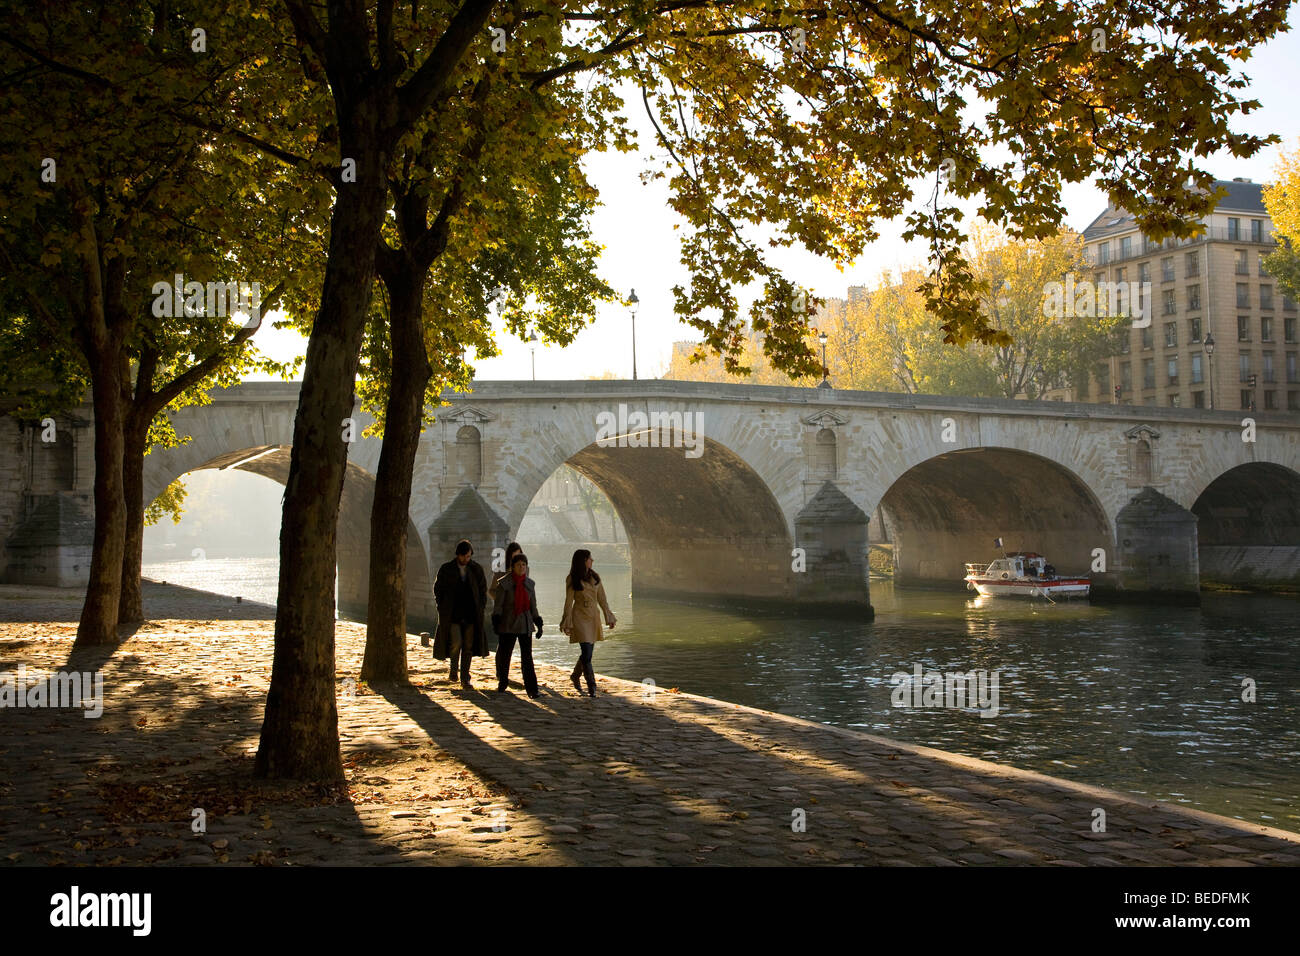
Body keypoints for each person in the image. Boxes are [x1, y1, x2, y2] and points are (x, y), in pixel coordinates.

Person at [432, 539, 488, 688]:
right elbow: (438, 589)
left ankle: (465, 676)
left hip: (471, 614)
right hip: (453, 614)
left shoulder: (476, 569)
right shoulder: (446, 569)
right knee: (456, 642)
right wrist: (441, 606)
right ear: (458, 555)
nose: (466, 559)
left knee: (468, 646)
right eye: (463, 556)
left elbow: (483, 590)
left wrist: (481, 607)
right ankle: (453, 670)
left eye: (468, 556)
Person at [560, 548, 616, 697]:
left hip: (593, 617)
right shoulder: (572, 578)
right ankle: (592, 686)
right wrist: (566, 620)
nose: (592, 560)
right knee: (586, 652)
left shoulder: (595, 577)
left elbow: (602, 599)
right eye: (590, 558)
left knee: (587, 654)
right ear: (583, 560)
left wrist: (608, 616)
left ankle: (575, 676)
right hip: (579, 616)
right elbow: (568, 601)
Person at [492, 552, 543, 698]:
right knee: (505, 656)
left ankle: (532, 689)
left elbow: (533, 606)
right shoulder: (504, 583)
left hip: (525, 624)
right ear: (513, 567)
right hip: (508, 623)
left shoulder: (529, 584)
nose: (521, 567)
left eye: (524, 565)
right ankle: (503, 683)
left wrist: (538, 624)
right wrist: (496, 622)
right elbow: (498, 606)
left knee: (527, 657)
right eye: (518, 565)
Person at [488, 541, 523, 606]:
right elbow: (491, 591)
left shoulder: (525, 569)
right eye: (514, 556)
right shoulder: (501, 569)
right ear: (509, 556)